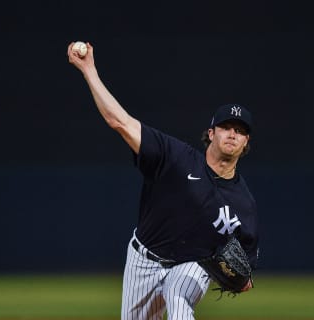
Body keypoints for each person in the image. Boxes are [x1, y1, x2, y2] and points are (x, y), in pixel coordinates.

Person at [68, 42, 258, 320]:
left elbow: (246, 277)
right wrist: (89, 70)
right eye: (226, 127)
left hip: (192, 264)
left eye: (240, 131)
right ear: (211, 133)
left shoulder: (244, 203)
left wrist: (238, 279)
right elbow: (120, 122)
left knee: (179, 300)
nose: (232, 133)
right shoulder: (175, 157)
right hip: (142, 259)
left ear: (246, 142)